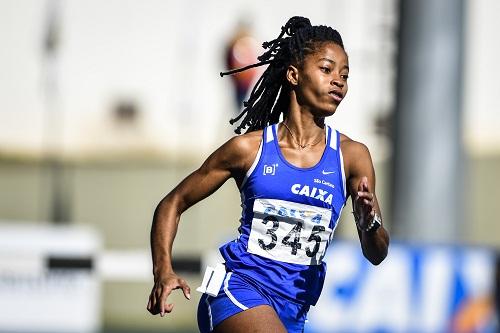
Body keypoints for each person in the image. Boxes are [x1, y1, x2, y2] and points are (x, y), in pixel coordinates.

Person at [147, 16, 389, 333]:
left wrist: (369, 222)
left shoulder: (352, 156)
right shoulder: (249, 149)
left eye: (344, 75)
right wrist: (163, 269)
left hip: (293, 312)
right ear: (293, 74)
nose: (339, 81)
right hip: (235, 292)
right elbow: (172, 203)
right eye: (327, 70)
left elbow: (377, 253)